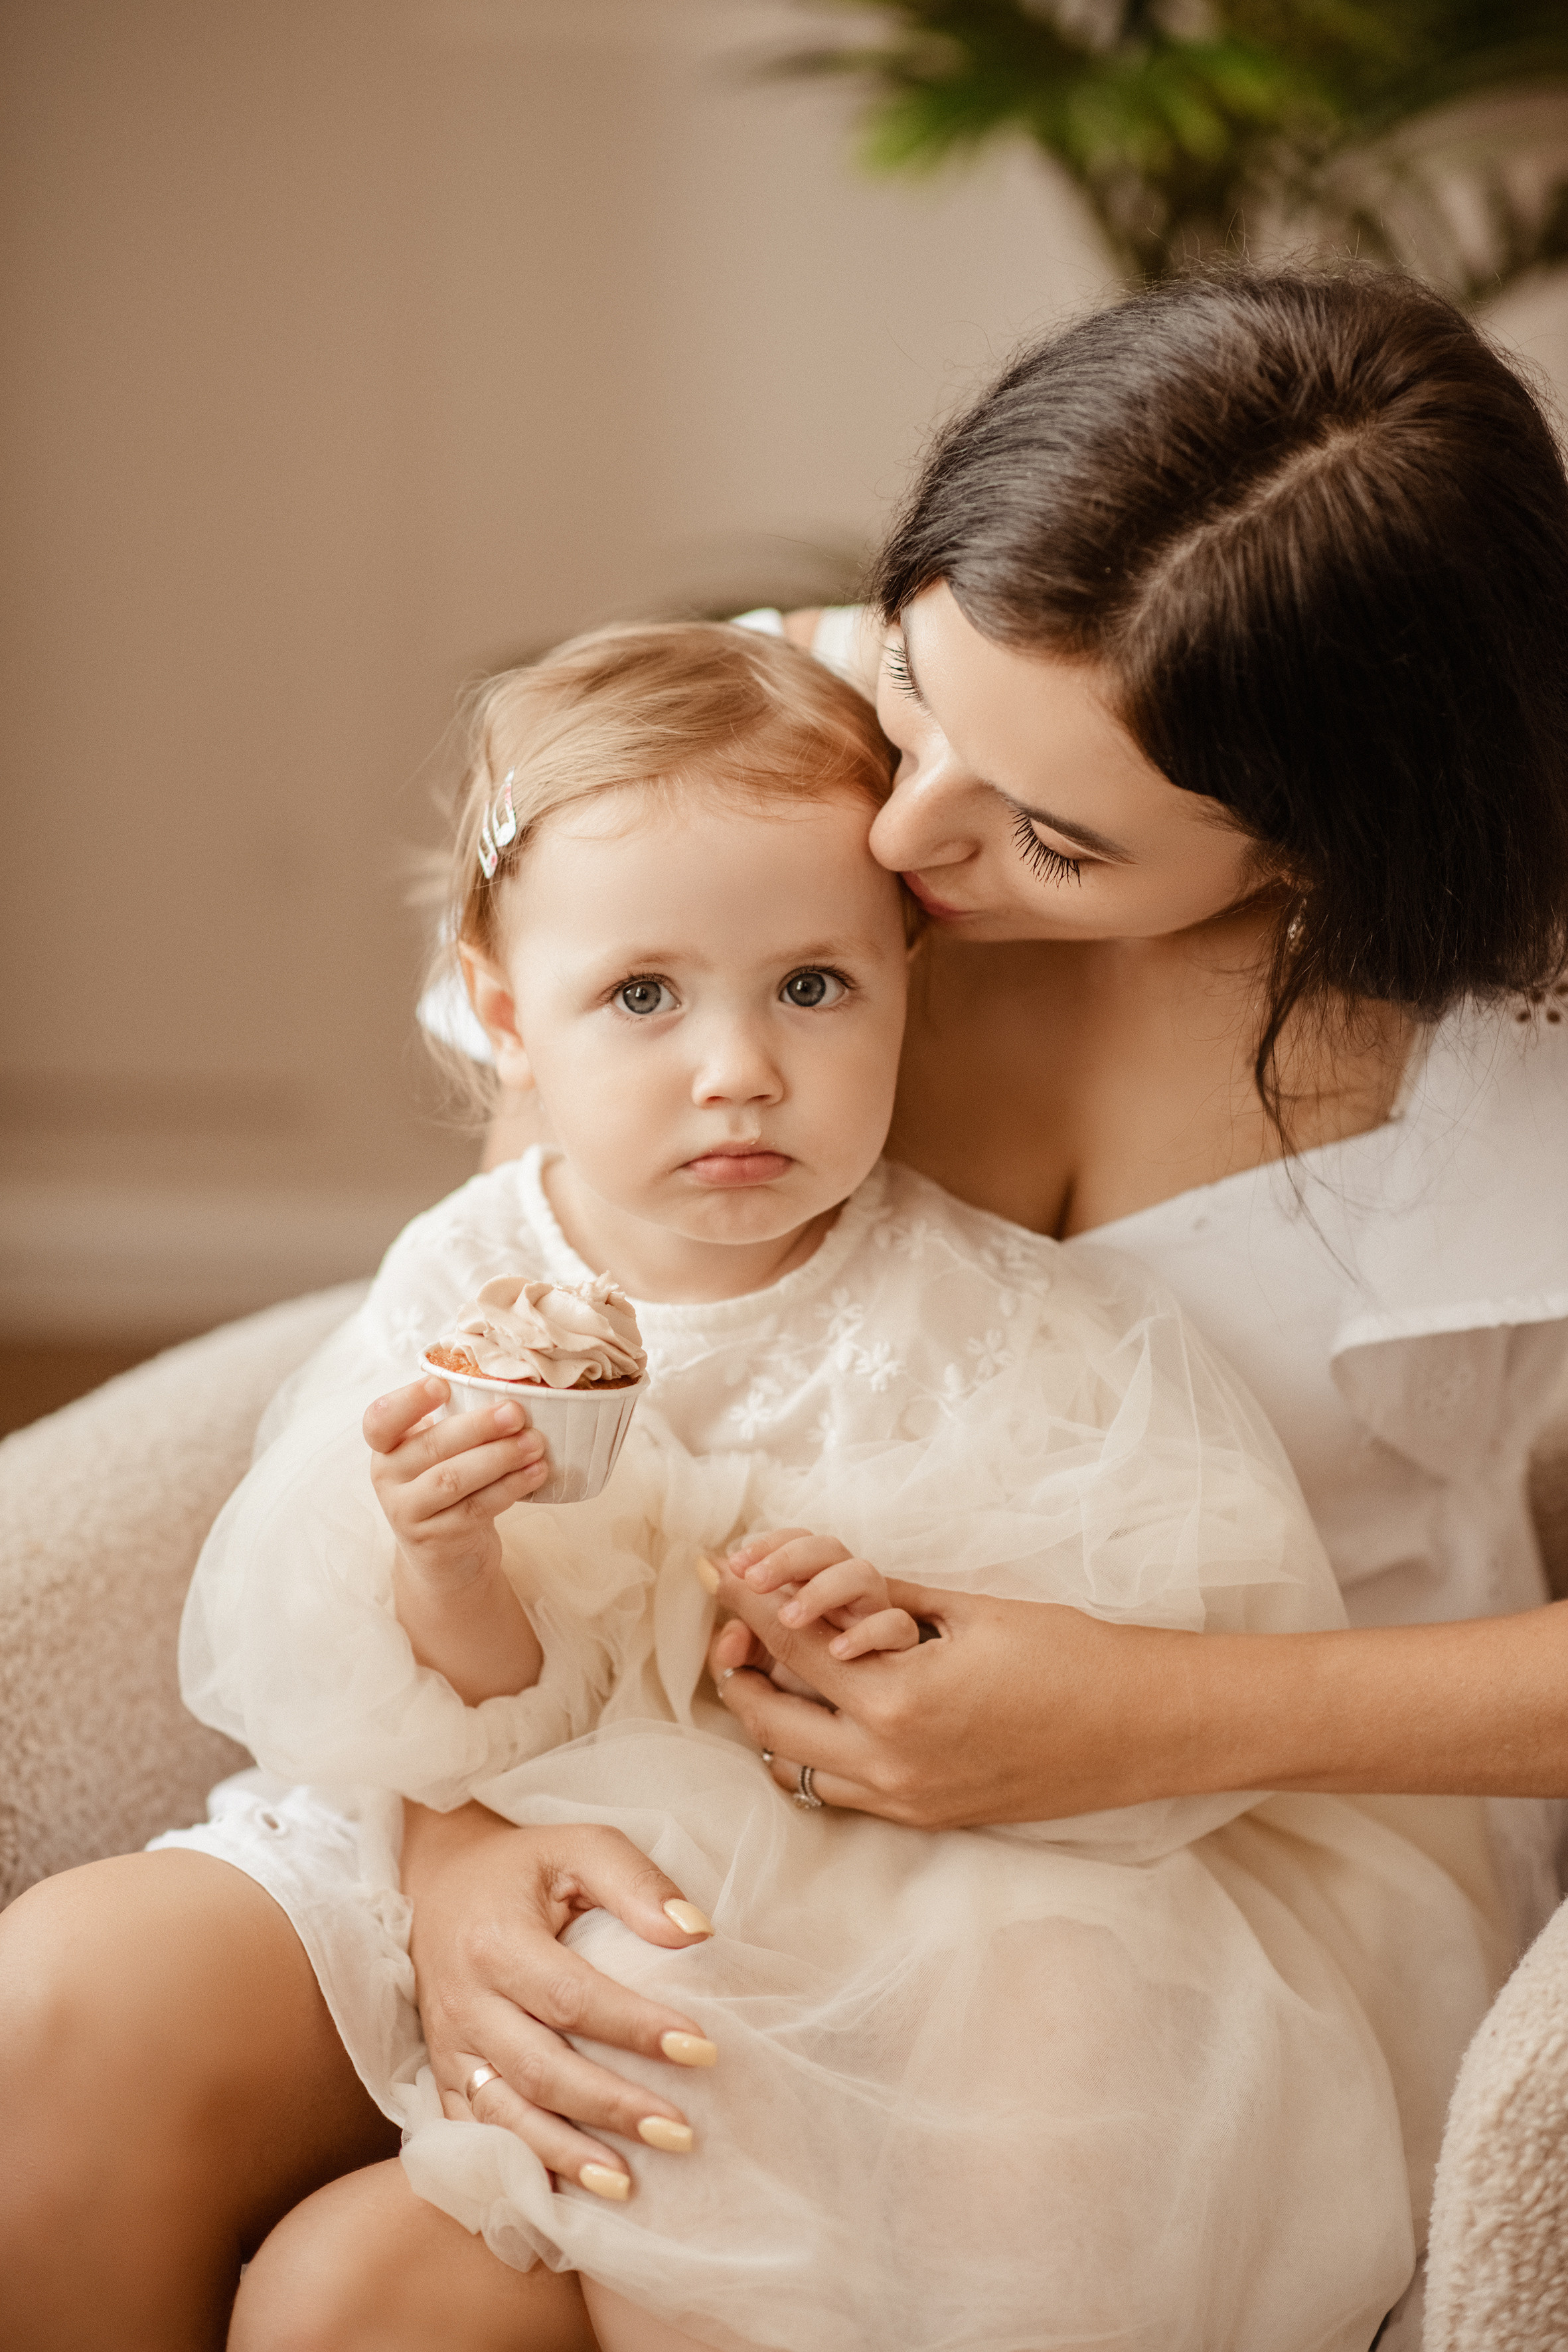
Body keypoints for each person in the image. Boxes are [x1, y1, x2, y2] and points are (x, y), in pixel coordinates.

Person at [1, 258, 1565, 2351]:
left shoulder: (1515, 1020)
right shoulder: (786, 740)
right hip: (580, 1713)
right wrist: (459, 1823)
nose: (901, 831)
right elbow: (529, 1294)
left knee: (376, 2302)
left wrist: (1141, 1720)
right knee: (61, 2024)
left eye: (1048, 832)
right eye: (923, 699)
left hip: (1160, 1851)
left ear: (1320, 842)